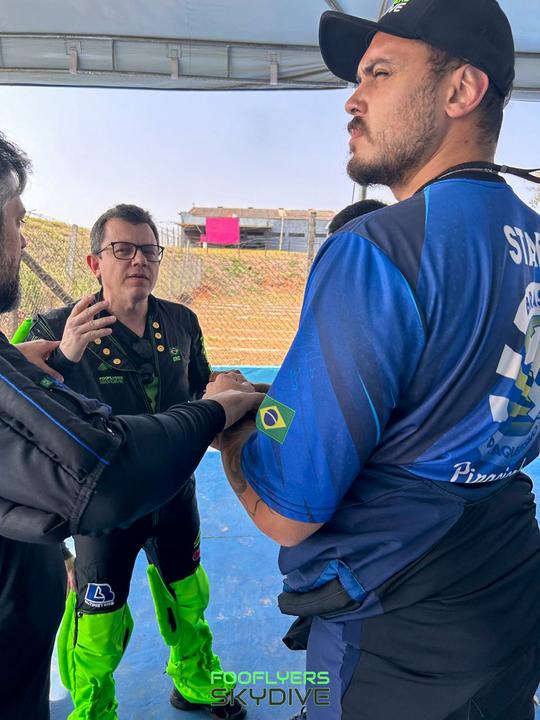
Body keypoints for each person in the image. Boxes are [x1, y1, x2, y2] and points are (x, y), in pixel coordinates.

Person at [205, 1, 540, 718]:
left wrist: (230, 424)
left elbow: (287, 512)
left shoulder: (378, 249)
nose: (352, 100)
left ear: (461, 90)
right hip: (507, 601)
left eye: (380, 74)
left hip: (392, 639)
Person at [0, 134, 262, 720]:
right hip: (101, 507)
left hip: (173, 490)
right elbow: (23, 433)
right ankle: (93, 709)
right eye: (122, 249)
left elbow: (201, 394)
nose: (139, 260)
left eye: (149, 250)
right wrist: (67, 359)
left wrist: (233, 401)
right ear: (95, 263)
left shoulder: (182, 321)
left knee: (188, 596)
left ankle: (194, 680)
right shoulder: (47, 329)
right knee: (98, 624)